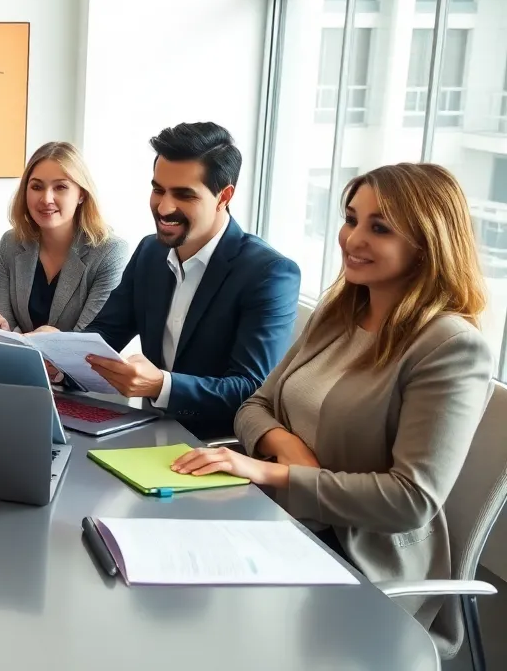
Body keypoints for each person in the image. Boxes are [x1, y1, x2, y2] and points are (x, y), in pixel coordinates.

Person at [172, 163, 492, 652]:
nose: (352, 238)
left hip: (362, 559)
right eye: (351, 218)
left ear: (428, 243)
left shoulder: (448, 346)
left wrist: (275, 473)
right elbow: (255, 405)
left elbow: (410, 501)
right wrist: (289, 448)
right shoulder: (340, 311)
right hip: (284, 526)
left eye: (379, 228)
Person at [73, 122, 301, 438]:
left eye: (184, 195)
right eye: (158, 190)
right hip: (145, 430)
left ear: (224, 196)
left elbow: (251, 390)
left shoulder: (269, 273)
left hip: (215, 447)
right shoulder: (150, 252)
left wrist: (162, 385)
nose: (164, 207)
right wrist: (55, 355)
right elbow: (106, 333)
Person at [0, 142, 129, 334]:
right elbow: (2, 323)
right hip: (17, 362)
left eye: (60, 187)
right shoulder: (11, 242)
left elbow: (90, 341)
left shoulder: (110, 251)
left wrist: (46, 339)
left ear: (81, 194)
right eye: (36, 187)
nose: (46, 199)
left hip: (76, 365)